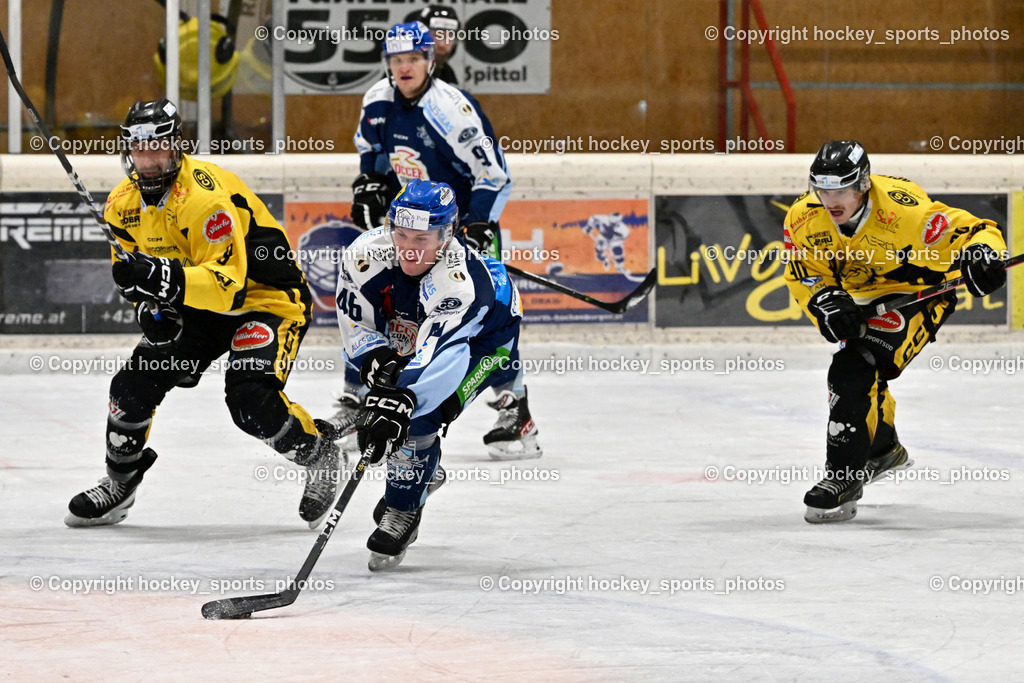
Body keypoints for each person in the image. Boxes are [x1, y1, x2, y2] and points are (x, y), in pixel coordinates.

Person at [64, 99, 342, 530]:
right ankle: (121, 482)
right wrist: (148, 308)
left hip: (266, 300)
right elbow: (134, 277)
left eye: (158, 146)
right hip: (197, 302)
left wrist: (163, 279)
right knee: (131, 387)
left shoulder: (203, 199)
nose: (148, 160)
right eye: (139, 148)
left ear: (177, 144)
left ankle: (320, 454)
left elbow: (228, 287)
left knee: (250, 400)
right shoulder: (121, 205)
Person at [339, 20, 540, 461]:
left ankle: (515, 409)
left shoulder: (450, 109)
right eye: (396, 59)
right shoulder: (377, 100)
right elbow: (373, 154)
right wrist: (369, 185)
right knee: (379, 307)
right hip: (411, 230)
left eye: (413, 58)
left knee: (488, 316)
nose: (404, 67)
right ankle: (358, 399)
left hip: (460, 229)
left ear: (430, 61)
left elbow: (494, 174)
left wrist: (478, 225)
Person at [784, 140, 1008, 524]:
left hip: (917, 296)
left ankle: (843, 475)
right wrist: (826, 302)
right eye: (822, 189)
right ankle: (882, 448)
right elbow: (805, 273)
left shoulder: (905, 212)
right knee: (859, 376)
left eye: (841, 190)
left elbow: (976, 231)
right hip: (860, 298)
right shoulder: (804, 217)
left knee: (854, 367)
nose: (830, 200)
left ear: (863, 184)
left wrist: (982, 255)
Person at [338, 179, 526, 570]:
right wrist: (375, 362)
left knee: (419, 417)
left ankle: (403, 509)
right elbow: (356, 323)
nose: (408, 247)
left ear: (446, 237)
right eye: (401, 234)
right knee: (392, 395)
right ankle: (422, 473)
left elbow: (440, 360)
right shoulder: (364, 254)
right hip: (414, 322)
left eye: (421, 239)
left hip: (485, 341)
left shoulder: (459, 284)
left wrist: (398, 402)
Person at [415, 5, 461, 86]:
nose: (442, 44)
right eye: (436, 36)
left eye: (448, 37)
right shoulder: (406, 70)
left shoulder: (447, 74)